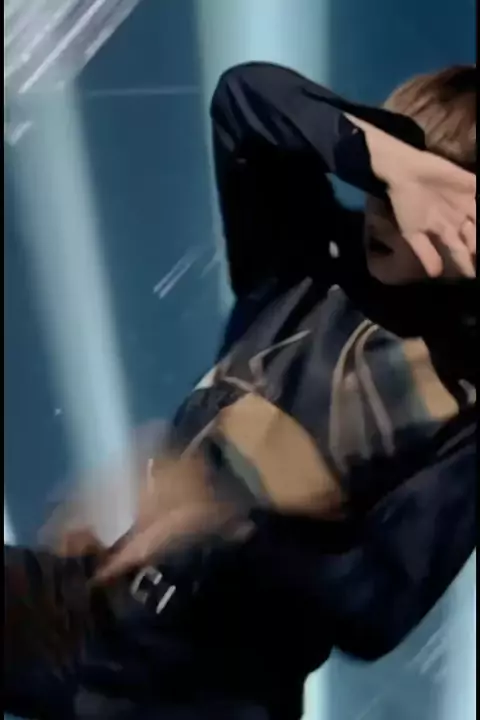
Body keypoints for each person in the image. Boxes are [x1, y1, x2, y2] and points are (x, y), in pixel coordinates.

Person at [4, 63, 476, 720]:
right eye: (385, 187)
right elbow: (244, 99)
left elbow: (376, 608)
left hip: (215, 692)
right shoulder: (305, 259)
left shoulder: (466, 407)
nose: (391, 210)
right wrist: (386, 158)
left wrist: (230, 520)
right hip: (93, 609)